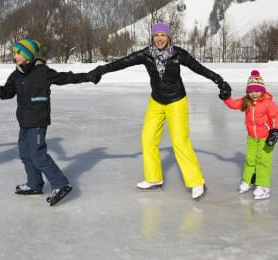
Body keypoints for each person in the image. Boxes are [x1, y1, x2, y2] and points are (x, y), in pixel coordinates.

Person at [88, 23, 230, 200]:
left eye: (163, 35)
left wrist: (219, 80)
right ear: (152, 38)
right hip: (156, 101)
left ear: (169, 37)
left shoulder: (178, 54)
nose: (160, 38)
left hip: (176, 101)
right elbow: (123, 62)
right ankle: (153, 178)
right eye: (156, 35)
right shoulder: (146, 54)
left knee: (180, 141)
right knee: (148, 138)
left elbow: (198, 68)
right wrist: (101, 70)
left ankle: (196, 182)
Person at [0, 39, 99, 206]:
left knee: (38, 155)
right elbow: (6, 93)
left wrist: (88, 76)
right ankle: (35, 184)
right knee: (25, 154)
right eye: (14, 53)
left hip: (38, 121)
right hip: (24, 122)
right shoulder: (16, 74)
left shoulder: (42, 72)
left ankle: (60, 184)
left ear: (28, 55)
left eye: (18, 53)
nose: (15, 56)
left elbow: (65, 78)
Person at [220, 70, 278, 200]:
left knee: (263, 161)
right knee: (250, 160)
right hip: (252, 138)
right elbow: (233, 104)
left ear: (262, 90)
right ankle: (248, 181)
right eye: (251, 91)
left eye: (257, 91)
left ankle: (264, 187)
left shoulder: (268, 103)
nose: (254, 94)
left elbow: (275, 117)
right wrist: (226, 97)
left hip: (267, 138)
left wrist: (274, 131)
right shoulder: (247, 101)